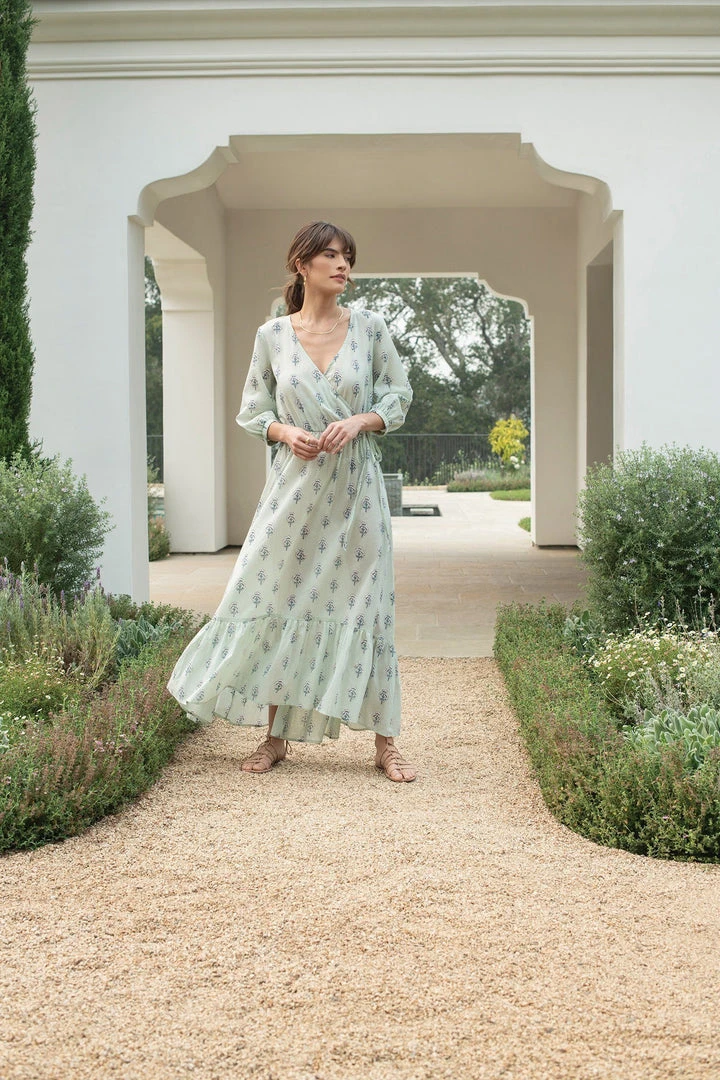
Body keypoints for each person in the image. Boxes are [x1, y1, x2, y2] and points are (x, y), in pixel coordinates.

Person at [166, 220, 416, 782]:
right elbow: (253, 409)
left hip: (356, 491)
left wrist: (359, 421)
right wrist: (284, 432)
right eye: (330, 255)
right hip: (293, 491)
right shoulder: (272, 336)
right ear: (301, 265)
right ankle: (275, 738)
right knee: (281, 599)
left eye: (347, 256)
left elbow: (398, 396)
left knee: (367, 606)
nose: (343, 264)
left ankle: (386, 744)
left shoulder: (371, 328)